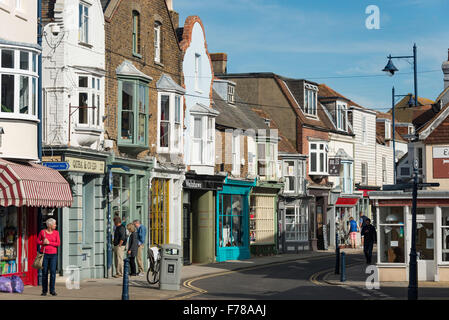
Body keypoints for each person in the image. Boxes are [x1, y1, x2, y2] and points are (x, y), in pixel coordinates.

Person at [37, 218, 60, 296]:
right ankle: (44, 291)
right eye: (54, 224)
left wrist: (49, 243)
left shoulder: (56, 233)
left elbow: (58, 243)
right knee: (44, 273)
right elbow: (37, 241)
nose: (55, 225)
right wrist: (43, 242)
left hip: (53, 255)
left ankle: (52, 290)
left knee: (53, 272)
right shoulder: (42, 232)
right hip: (45, 255)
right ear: (50, 225)